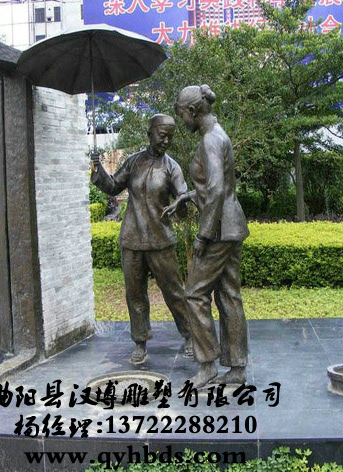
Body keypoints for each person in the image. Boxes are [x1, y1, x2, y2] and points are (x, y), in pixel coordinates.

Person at [163, 85, 249, 387]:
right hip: (230, 225)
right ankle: (237, 367)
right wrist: (186, 197)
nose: (182, 122)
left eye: (182, 115)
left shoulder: (211, 140)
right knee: (228, 295)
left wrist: (203, 235)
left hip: (218, 230)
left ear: (192, 111)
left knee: (194, 293)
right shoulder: (217, 134)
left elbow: (215, 190)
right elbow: (214, 187)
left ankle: (207, 363)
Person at [91, 114, 193, 364]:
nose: (166, 141)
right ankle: (140, 341)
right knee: (135, 295)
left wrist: (182, 203)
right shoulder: (133, 162)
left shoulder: (172, 167)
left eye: (170, 137)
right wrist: (98, 169)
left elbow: (183, 199)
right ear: (150, 134)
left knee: (174, 292)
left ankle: (191, 334)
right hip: (132, 239)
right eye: (162, 135)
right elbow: (113, 186)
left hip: (161, 240)